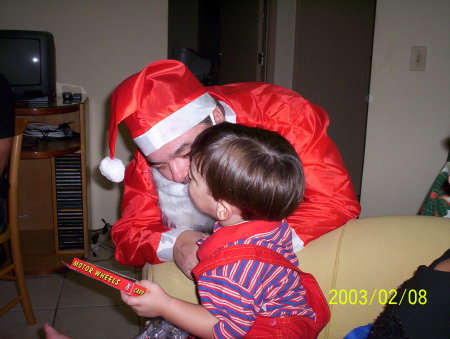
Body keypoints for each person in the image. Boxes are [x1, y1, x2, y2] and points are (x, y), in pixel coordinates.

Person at [99, 59, 361, 277]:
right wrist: (177, 242)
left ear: (217, 119)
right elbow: (128, 235)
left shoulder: (284, 117)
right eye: (160, 165)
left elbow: (335, 202)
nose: (179, 176)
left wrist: (253, 245)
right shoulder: (154, 155)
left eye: (187, 153)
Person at [121, 122, 330, 338]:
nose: (183, 179)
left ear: (222, 208)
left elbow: (224, 331)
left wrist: (165, 306)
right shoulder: (272, 221)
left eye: (192, 179)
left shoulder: (232, 269)